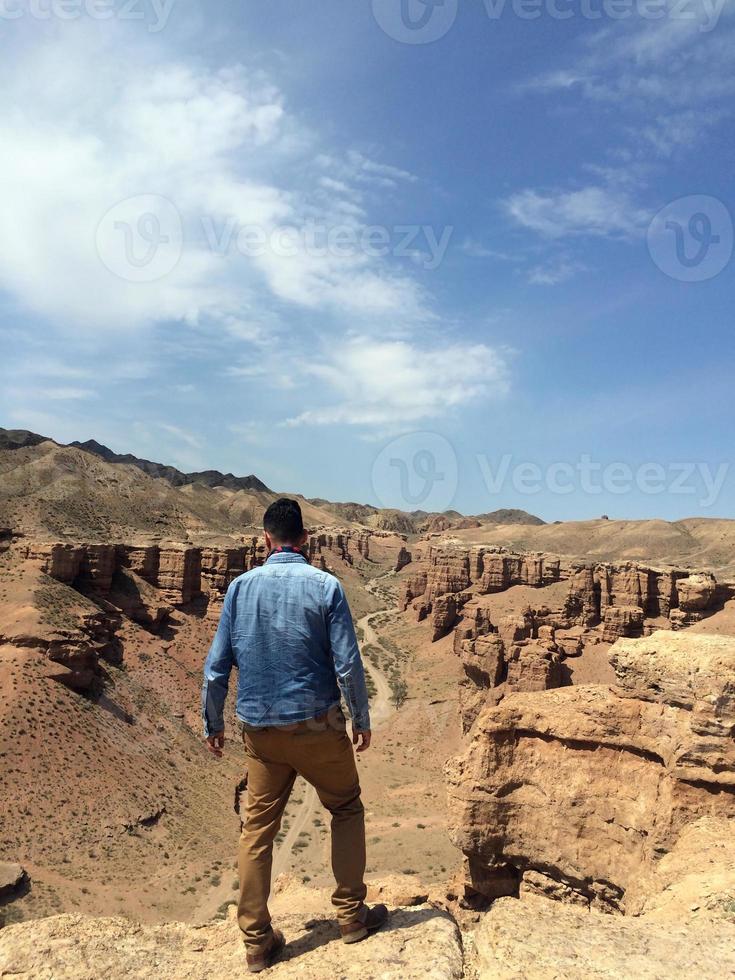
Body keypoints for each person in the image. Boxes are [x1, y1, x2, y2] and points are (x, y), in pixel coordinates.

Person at [201, 497, 388, 973]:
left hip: (261, 732)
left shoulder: (240, 589)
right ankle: (350, 917)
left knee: (257, 828)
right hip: (319, 725)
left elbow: (215, 669)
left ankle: (257, 942)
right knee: (345, 808)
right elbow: (347, 662)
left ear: (265, 538)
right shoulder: (326, 586)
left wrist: (213, 722)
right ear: (304, 539)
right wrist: (360, 718)